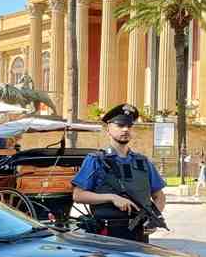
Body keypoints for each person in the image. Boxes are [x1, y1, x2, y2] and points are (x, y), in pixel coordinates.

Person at [71, 103, 166, 242]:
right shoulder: (96, 160)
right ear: (108, 129)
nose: (126, 129)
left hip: (139, 234)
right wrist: (111, 197)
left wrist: (154, 217)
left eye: (129, 126)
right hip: (108, 234)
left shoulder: (143, 162)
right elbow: (78, 195)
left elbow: (159, 196)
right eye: (120, 125)